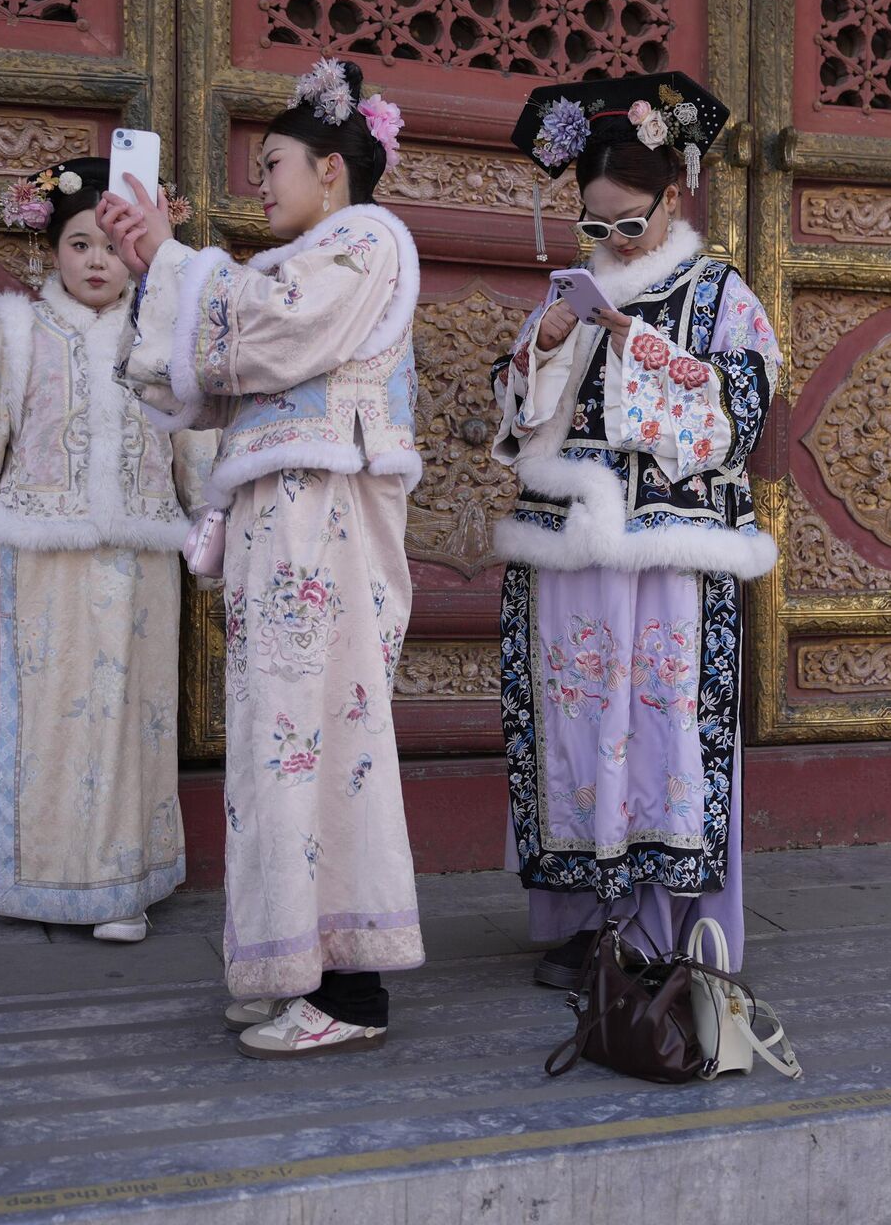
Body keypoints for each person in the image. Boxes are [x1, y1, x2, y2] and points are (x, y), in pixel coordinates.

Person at [98, 58, 424, 1057]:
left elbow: (270, 329)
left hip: (323, 526)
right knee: (285, 745)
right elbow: (221, 359)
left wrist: (176, 260)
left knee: (320, 741)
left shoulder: (367, 239)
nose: (262, 185)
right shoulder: (322, 247)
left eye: (274, 164)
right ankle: (301, 965)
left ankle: (352, 989)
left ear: (332, 169)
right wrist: (170, 264)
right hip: (289, 531)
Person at [490, 72, 782, 988]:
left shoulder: (719, 292)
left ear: (673, 196)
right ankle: (590, 920)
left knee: (660, 733)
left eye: (630, 223)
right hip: (570, 545)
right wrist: (541, 350)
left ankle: (660, 928)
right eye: (596, 226)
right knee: (579, 731)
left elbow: (743, 408)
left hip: (669, 557)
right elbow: (518, 418)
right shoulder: (569, 296)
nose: (614, 241)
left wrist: (635, 342)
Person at [0, 156, 214, 941]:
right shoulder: (18, 330)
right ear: (51, 251)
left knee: (132, 721)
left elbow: (199, 449)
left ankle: (123, 888)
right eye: (79, 245)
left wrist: (228, 541)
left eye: (110, 245)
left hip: (139, 566)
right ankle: (55, 881)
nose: (97, 261)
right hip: (43, 568)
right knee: (54, 724)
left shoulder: (163, 335)